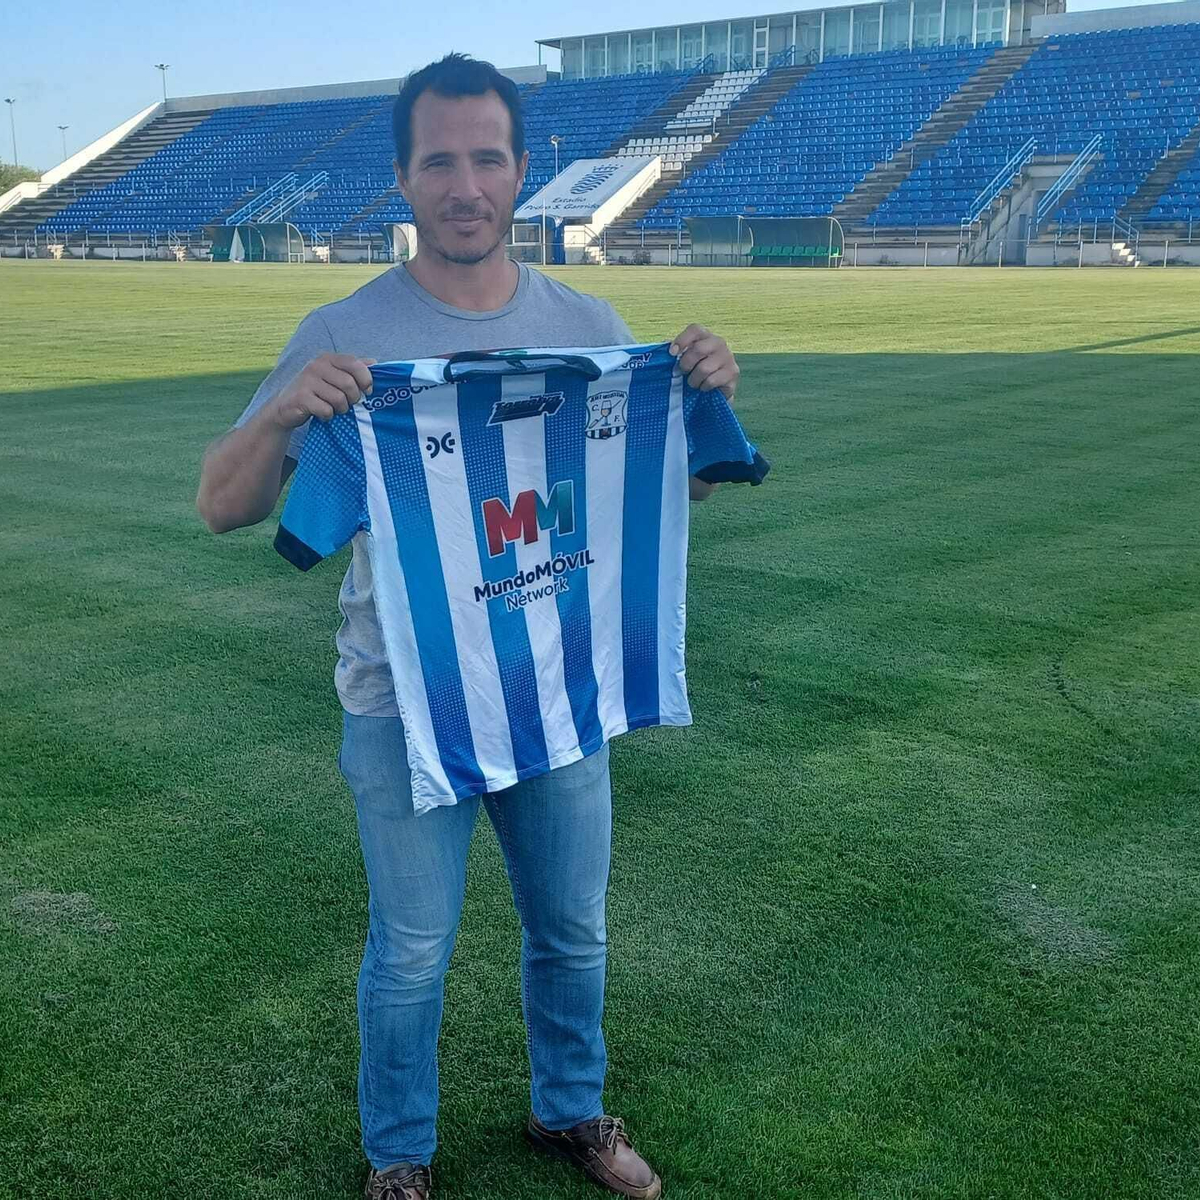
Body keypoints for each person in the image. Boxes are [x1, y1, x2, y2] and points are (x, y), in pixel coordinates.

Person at [196, 52, 742, 1200]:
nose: (464, 184)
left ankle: (572, 1113)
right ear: (402, 178)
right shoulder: (345, 331)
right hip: (405, 704)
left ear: (520, 171)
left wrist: (697, 385)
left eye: (485, 158)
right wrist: (292, 409)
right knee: (408, 954)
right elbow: (222, 505)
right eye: (438, 160)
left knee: (573, 932)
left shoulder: (588, 322)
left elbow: (670, 486)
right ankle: (398, 1156)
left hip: (556, 684)